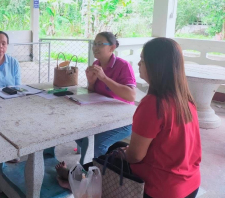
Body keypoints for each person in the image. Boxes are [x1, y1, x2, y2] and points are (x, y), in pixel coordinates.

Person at [57, 37, 201, 198]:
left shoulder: (153, 103)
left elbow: (135, 156)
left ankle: (77, 182)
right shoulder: (186, 99)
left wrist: (126, 152)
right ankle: (75, 177)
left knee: (110, 156)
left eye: (142, 60)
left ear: (156, 66)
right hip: (190, 182)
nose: (139, 64)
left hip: (159, 188)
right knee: (114, 149)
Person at [76, 32, 136, 158]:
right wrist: (91, 83)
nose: (95, 47)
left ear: (112, 48)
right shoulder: (96, 64)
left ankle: (99, 174)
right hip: (101, 115)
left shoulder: (123, 65)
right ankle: (84, 169)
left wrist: (104, 78)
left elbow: (131, 96)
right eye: (94, 44)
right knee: (76, 132)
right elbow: (94, 94)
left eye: (100, 44)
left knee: (96, 146)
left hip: (123, 120)